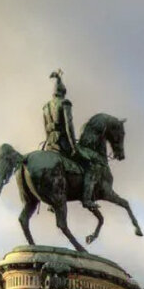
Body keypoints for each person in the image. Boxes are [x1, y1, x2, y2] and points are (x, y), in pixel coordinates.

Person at [42, 69, 102, 205]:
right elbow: (69, 126)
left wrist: (49, 143)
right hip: (64, 143)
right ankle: (87, 199)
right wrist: (73, 146)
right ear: (63, 92)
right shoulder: (65, 103)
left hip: (51, 144)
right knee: (90, 165)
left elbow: (45, 127)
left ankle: (52, 202)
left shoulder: (45, 107)